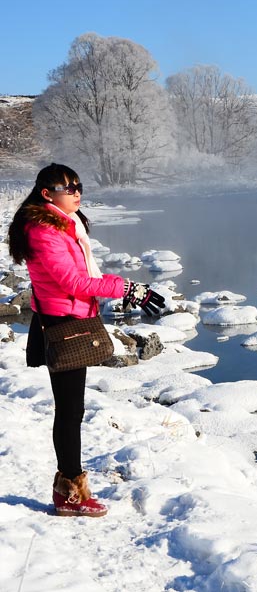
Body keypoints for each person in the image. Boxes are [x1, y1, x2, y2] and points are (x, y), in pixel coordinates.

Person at [7, 163, 164, 517]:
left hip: (67, 317)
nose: (77, 192)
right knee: (69, 411)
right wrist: (125, 287)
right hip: (63, 323)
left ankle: (70, 487)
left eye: (79, 186)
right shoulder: (43, 231)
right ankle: (70, 493)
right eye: (68, 187)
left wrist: (125, 289)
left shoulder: (65, 225)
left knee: (71, 410)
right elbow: (73, 282)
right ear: (47, 194)